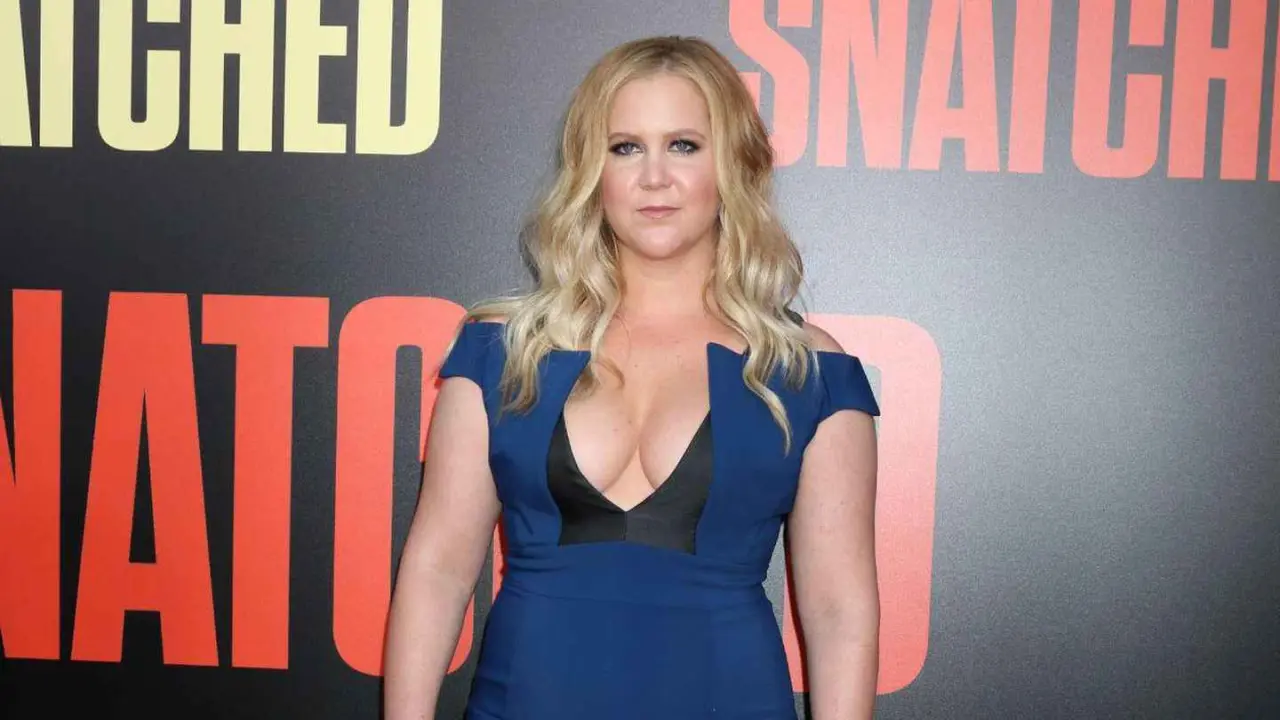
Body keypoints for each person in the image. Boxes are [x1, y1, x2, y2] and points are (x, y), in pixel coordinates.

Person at [383, 36, 880, 720]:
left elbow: (838, 610)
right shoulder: (505, 353)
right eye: (625, 148)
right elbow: (438, 570)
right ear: (593, 171)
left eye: (684, 145)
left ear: (734, 164)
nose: (654, 177)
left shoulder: (805, 371)